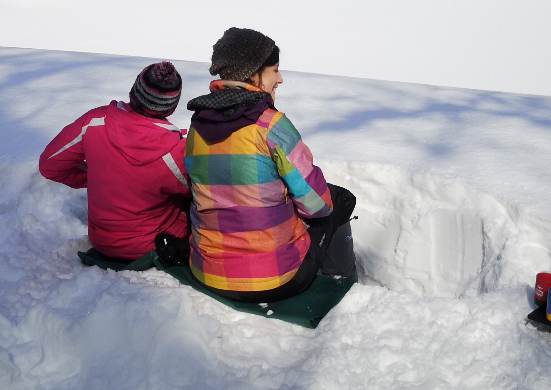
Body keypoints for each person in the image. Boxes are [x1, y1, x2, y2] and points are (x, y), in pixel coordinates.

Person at [185, 27, 357, 300]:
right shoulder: (271, 126)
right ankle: (344, 288)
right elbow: (317, 205)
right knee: (339, 199)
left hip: (209, 274)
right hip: (273, 280)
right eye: (274, 70)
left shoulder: (197, 126)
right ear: (253, 74)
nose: (280, 79)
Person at [39, 61, 190, 262]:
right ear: (171, 107)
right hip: (159, 244)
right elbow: (202, 191)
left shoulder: (95, 122)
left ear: (134, 91)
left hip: (102, 242)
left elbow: (50, 164)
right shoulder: (176, 152)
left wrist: (98, 176)